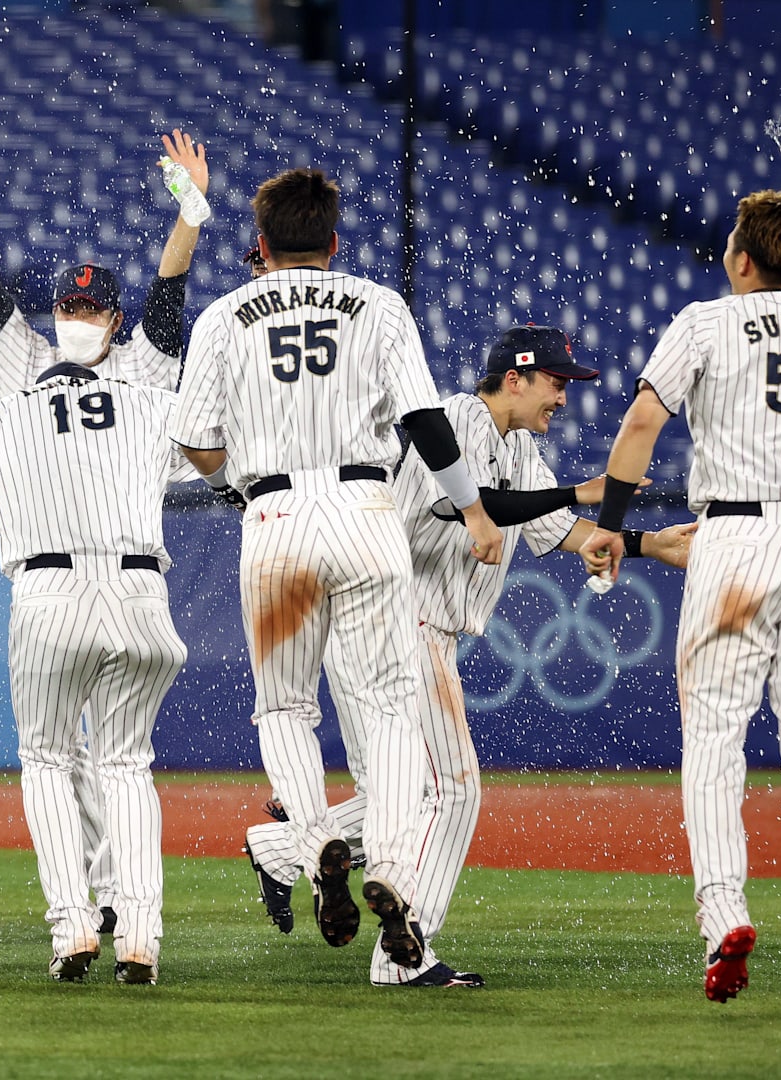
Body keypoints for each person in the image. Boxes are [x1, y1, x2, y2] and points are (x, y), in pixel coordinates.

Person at [242, 325, 694, 987]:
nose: (563, 398)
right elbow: (473, 507)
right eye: (556, 382)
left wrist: (649, 544)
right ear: (515, 376)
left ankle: (284, 850)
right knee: (453, 791)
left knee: (407, 795)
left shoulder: (515, 445)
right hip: (394, 622)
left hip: (409, 627)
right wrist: (580, 490)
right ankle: (404, 956)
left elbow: (552, 527)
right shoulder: (454, 420)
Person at [170, 166, 505, 980]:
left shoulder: (223, 315)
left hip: (276, 517)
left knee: (284, 704)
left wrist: (238, 481)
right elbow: (426, 422)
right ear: (334, 244)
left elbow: (195, 440)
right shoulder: (378, 304)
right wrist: (472, 510)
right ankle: (389, 862)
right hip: (368, 512)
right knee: (389, 709)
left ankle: (317, 840)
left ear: (259, 244)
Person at [578, 190, 781, 1005]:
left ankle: (725, 921)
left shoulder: (708, 321)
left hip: (733, 540)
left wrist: (611, 525)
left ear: (743, 258)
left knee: (713, 741)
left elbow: (641, 421)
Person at [0, 359, 193, 985]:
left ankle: (73, 925)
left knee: (46, 759)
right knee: (125, 765)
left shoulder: (7, 412)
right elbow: (212, 451)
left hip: (50, 592)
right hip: (141, 590)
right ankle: (140, 937)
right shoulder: (145, 404)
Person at [0, 129, 207, 396]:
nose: (78, 320)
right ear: (54, 313)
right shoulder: (29, 363)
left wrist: (190, 203)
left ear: (116, 322)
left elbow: (170, 284)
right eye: (69, 310)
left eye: (91, 312)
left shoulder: (140, 364)